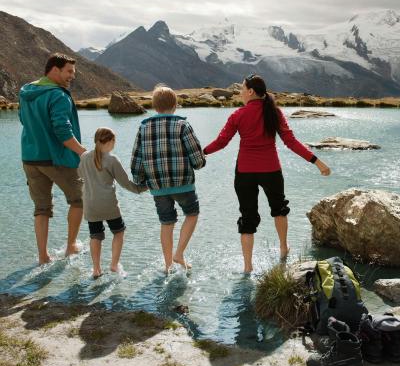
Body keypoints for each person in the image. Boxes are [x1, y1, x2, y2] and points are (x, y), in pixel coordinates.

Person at [203, 74, 331, 273]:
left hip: (245, 172)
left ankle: (247, 266)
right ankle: (283, 247)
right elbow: (291, 142)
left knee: (247, 218)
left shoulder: (238, 115)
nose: (240, 92)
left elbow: (221, 142)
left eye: (242, 89)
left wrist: (202, 152)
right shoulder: (274, 112)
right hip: (271, 170)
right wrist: (317, 162)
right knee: (279, 209)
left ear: (250, 91)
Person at [19, 53, 86, 265]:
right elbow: (62, 130)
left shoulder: (26, 92)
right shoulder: (58, 95)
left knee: (41, 208)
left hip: (30, 158)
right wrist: (82, 152)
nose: (72, 76)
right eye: (69, 71)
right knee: (79, 200)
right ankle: (71, 246)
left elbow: (23, 119)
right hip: (57, 159)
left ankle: (43, 256)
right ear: (55, 70)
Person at [131, 85, 206, 273]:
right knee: (192, 214)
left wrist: (139, 179)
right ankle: (179, 254)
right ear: (175, 105)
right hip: (183, 184)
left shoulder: (143, 128)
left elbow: (137, 159)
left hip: (158, 187)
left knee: (166, 223)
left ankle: (168, 265)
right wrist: (199, 164)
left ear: (154, 106)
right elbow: (196, 157)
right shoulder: (183, 125)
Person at [78, 127, 147, 278]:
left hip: (90, 204)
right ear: (110, 141)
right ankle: (114, 265)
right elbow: (125, 183)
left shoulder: (84, 156)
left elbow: (80, 175)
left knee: (95, 235)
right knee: (119, 232)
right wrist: (142, 188)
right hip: (108, 204)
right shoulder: (112, 159)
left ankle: (96, 270)